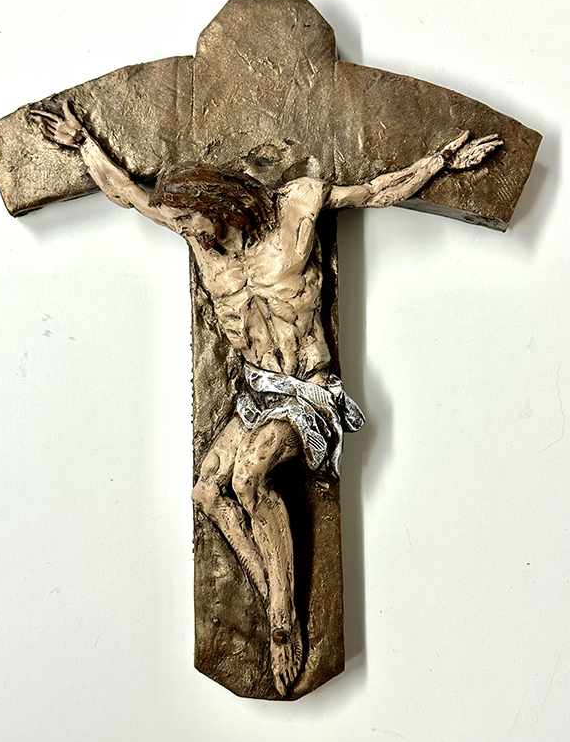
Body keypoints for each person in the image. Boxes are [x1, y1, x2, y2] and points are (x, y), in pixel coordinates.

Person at [31, 101, 502, 695]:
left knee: (249, 475)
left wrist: (439, 163)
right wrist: (83, 145)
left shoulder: (295, 211)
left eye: (190, 220)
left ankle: (283, 622)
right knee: (208, 491)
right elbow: (129, 195)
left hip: (308, 392)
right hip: (258, 390)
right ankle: (272, 588)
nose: (183, 230)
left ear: (217, 206)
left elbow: (375, 192)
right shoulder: (203, 244)